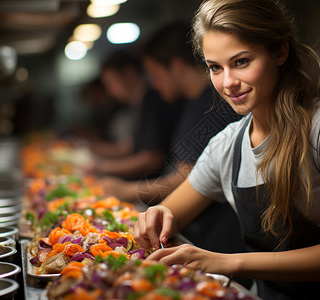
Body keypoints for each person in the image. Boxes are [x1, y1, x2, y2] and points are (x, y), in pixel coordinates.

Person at [133, 1, 320, 299]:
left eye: (241, 62)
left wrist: (226, 262)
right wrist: (157, 214)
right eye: (215, 68)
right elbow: (169, 214)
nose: (228, 83)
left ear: (279, 52)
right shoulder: (227, 145)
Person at [101, 23, 248, 268]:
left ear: (177, 67)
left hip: (217, 242)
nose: (154, 85)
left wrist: (126, 190)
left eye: (156, 75)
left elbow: (186, 176)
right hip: (195, 233)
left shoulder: (214, 105)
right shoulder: (190, 102)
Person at [91, 49, 181, 180]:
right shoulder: (138, 104)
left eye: (111, 83)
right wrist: (91, 148)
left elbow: (152, 159)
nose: (110, 91)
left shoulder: (152, 100)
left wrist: (102, 167)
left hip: (157, 184)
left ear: (129, 74)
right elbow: (130, 146)